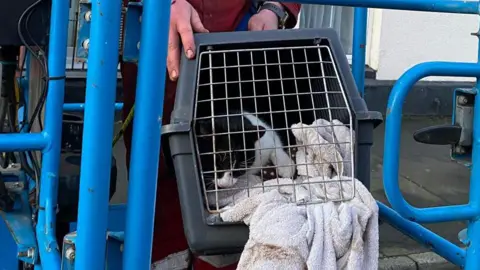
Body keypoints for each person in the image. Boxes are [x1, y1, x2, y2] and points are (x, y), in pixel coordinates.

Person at [120, 0, 301, 269]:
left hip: (238, 56)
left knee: (236, 225)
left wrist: (274, 8)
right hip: (158, 50)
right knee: (157, 179)